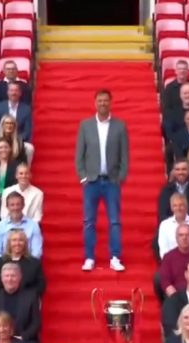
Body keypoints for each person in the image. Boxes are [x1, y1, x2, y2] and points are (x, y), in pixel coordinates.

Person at [75, 89, 129, 272]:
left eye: (106, 101)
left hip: (112, 181)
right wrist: (83, 176)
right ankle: (89, 257)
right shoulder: (85, 125)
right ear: (95, 103)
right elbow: (79, 155)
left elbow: (125, 155)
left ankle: (115, 256)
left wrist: (120, 177)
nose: (103, 104)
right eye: (100, 101)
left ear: (111, 102)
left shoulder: (120, 126)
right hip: (91, 181)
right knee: (89, 221)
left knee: (114, 221)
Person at [158, 193, 189, 258]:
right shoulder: (164, 225)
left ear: (186, 206)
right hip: (171, 263)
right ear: (171, 208)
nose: (178, 208)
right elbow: (164, 251)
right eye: (175, 206)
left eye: (181, 205)